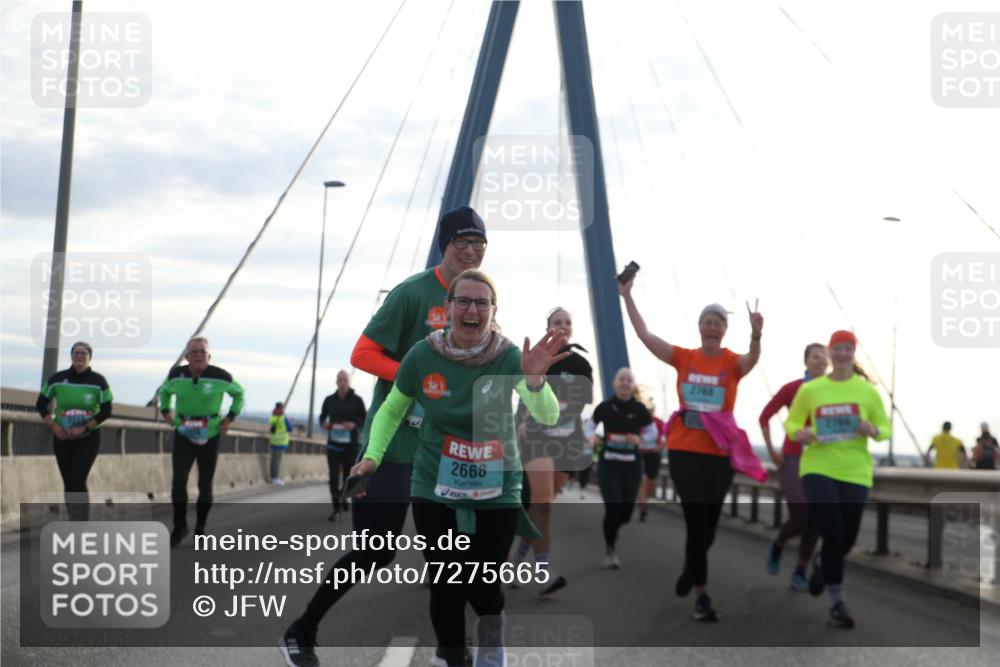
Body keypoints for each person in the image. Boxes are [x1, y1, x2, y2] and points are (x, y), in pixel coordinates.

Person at [282, 206, 488, 667]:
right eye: (464, 242)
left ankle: (453, 651)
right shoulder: (412, 294)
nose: (472, 251)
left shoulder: (478, 300)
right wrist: (415, 379)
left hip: (444, 452)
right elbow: (362, 352)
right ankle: (301, 630)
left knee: (450, 555)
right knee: (375, 551)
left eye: (480, 244)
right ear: (445, 244)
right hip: (393, 446)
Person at [351, 269, 569, 667]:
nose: (472, 309)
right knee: (446, 582)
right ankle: (452, 657)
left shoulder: (507, 357)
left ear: (493, 310)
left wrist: (536, 383)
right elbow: (392, 410)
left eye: (481, 302)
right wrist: (373, 455)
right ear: (447, 309)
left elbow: (549, 416)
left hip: (497, 484)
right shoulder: (422, 354)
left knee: (483, 585)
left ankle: (490, 643)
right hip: (435, 481)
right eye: (463, 301)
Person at [619, 275, 764, 622]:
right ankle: (702, 595)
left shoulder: (732, 363)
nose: (712, 328)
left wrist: (756, 335)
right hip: (685, 451)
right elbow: (644, 335)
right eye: (707, 322)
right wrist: (627, 296)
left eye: (718, 323)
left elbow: (753, 359)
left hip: (720, 454)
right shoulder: (683, 358)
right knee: (696, 521)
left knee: (709, 526)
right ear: (700, 327)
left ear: (724, 330)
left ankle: (689, 567)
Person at [785, 330, 891, 629]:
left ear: (853, 353)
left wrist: (872, 431)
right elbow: (793, 421)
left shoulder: (867, 392)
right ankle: (837, 603)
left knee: (846, 539)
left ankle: (821, 563)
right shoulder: (812, 390)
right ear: (830, 353)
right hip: (818, 466)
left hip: (855, 470)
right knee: (832, 532)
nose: (842, 353)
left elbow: (885, 428)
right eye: (837, 348)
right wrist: (799, 433)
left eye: (848, 348)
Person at [511, 306, 593, 595]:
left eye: (567, 322)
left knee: (540, 508)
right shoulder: (536, 357)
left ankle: (516, 563)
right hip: (536, 436)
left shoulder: (582, 365)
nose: (562, 325)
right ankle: (542, 572)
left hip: (566, 440)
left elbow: (579, 404)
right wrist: (522, 421)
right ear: (547, 327)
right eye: (557, 322)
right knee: (543, 503)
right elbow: (525, 393)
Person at [159, 336, 244, 548]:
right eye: (194, 352)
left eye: (202, 352)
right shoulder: (176, 375)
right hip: (184, 432)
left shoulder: (220, 376)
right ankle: (179, 526)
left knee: (204, 485)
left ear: (209, 356)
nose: (198, 355)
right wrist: (166, 412)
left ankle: (200, 528)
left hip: (210, 434)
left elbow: (239, 394)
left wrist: (229, 419)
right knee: (178, 481)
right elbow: (164, 392)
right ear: (187, 357)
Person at [759, 343, 828, 590]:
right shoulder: (792, 388)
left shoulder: (834, 391)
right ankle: (778, 543)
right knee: (800, 515)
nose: (821, 361)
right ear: (806, 361)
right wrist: (771, 450)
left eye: (824, 358)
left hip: (823, 461)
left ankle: (800, 569)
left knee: (817, 520)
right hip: (793, 457)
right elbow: (764, 416)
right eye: (816, 357)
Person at [36, 341, 113, 521]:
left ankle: (81, 522)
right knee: (69, 482)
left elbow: (106, 411)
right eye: (76, 353)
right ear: (71, 356)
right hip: (62, 437)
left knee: (78, 479)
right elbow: (40, 405)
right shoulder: (57, 379)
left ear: (89, 357)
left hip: (89, 437)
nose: (79, 357)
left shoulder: (98, 381)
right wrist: (54, 427)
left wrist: (83, 427)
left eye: (83, 353)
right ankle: (75, 520)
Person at [589, 368, 652, 568]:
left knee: (625, 514)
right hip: (609, 465)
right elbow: (589, 428)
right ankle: (610, 550)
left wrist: (639, 439)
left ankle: (617, 527)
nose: (624, 383)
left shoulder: (640, 410)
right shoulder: (605, 407)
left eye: (628, 380)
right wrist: (592, 438)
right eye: (621, 379)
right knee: (613, 509)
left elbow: (653, 433)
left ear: (633, 385)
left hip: (631, 467)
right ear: (614, 383)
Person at [319, 370, 367, 519]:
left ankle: (344, 497)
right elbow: (322, 417)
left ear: (349, 382)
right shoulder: (329, 399)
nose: (342, 382)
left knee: (348, 475)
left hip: (351, 445)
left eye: (344, 379)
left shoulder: (357, 400)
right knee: (333, 476)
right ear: (336, 381)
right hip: (333, 444)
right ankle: (336, 507)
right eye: (339, 379)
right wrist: (324, 424)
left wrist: (354, 425)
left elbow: (364, 420)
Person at [637, 401, 667, 522]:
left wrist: (659, 447)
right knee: (642, 481)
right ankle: (643, 508)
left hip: (654, 455)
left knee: (651, 483)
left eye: (651, 410)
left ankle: (645, 501)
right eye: (647, 410)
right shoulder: (638, 421)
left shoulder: (659, 422)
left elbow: (665, 437)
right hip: (640, 454)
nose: (649, 412)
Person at [269, 402, 294, 485]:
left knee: (273, 461)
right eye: (283, 408)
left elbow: (273, 425)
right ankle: (275, 478)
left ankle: (272, 477)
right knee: (277, 461)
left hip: (273, 441)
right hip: (281, 442)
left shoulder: (273, 417)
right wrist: (289, 420)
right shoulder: (283, 418)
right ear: (281, 409)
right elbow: (290, 428)